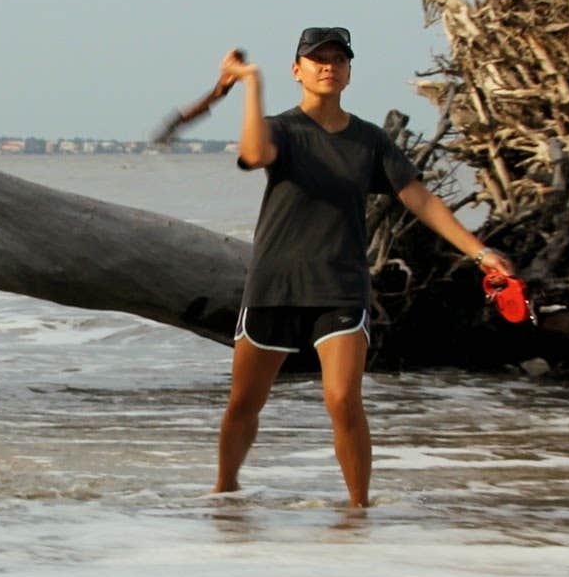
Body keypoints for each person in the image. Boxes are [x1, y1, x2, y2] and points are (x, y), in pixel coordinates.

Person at [214, 26, 515, 508]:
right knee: (244, 404)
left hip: (341, 287)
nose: (328, 66)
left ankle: (359, 511)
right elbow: (254, 154)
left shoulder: (369, 140)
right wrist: (250, 84)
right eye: (318, 59)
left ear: (350, 72)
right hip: (276, 285)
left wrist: (479, 252)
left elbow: (419, 198)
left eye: (338, 59)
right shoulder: (282, 129)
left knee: (342, 399)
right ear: (298, 70)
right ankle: (224, 495)